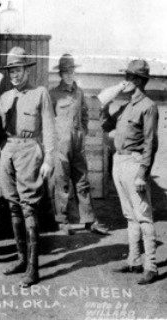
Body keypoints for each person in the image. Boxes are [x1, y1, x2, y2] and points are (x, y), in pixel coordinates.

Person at [0, 46, 55, 287]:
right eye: (11, 71)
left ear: (26, 70)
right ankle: (20, 258)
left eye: (18, 70)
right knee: (13, 206)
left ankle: (33, 268)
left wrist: (49, 158)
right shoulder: (5, 97)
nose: (14, 75)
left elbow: (49, 128)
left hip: (30, 150)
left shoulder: (40, 94)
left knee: (29, 208)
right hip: (7, 150)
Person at [100, 59, 158, 285]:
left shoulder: (148, 106)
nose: (126, 81)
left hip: (135, 164)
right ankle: (134, 261)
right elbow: (106, 126)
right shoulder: (125, 106)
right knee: (130, 216)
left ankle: (151, 266)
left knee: (143, 216)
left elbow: (151, 143)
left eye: (130, 77)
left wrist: (143, 173)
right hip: (119, 162)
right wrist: (105, 105)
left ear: (140, 81)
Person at [47, 53, 108, 236]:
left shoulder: (79, 93)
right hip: (61, 144)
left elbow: (85, 114)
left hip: (77, 143)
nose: (68, 74)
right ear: (60, 74)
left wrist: (82, 132)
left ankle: (89, 220)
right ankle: (62, 221)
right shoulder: (53, 94)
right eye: (65, 72)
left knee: (82, 181)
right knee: (62, 182)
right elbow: (48, 121)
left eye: (71, 71)